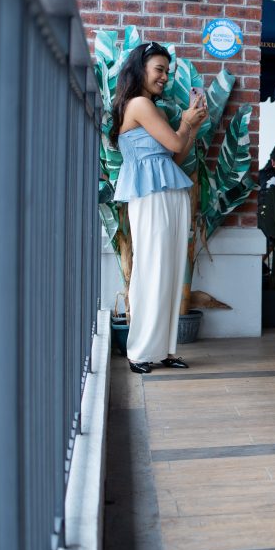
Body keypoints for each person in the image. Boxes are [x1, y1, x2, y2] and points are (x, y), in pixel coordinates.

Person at [110, 42, 208, 374]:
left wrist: (191, 125)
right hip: (150, 196)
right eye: (159, 70)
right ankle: (139, 351)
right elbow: (177, 142)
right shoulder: (138, 104)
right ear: (141, 69)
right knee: (151, 269)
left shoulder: (150, 106)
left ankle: (164, 349)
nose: (165, 77)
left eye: (168, 71)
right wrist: (185, 123)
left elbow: (175, 154)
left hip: (170, 192)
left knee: (168, 271)